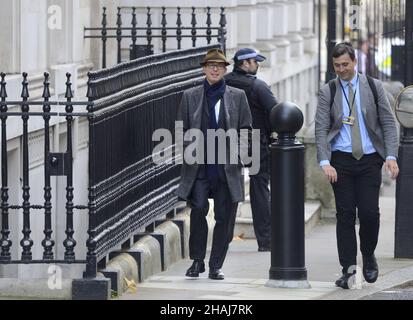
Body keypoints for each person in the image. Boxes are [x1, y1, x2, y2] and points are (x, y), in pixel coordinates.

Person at [315, 42, 399, 289]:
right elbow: (320, 128)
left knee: (370, 214)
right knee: (345, 215)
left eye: (345, 65)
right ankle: (349, 270)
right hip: (340, 161)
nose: (340, 70)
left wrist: (391, 156)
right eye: (336, 65)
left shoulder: (373, 87)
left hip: (370, 160)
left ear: (355, 62)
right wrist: (324, 161)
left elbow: (388, 122)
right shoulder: (328, 91)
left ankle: (369, 254)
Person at [175, 48, 252, 280]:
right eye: (211, 65)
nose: (215, 69)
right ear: (204, 69)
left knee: (224, 217)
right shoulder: (190, 96)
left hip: (226, 169)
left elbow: (247, 129)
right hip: (200, 167)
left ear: (225, 69)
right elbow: (181, 129)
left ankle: (216, 265)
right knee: (198, 210)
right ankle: (197, 261)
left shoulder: (237, 96)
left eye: (219, 65)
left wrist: (240, 154)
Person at [224, 48, 278, 252]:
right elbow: (276, 111)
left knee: (230, 189)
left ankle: (224, 238)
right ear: (245, 63)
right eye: (255, 62)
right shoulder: (258, 86)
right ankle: (266, 241)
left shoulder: (224, 82)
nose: (257, 65)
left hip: (229, 141)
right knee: (259, 190)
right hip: (256, 141)